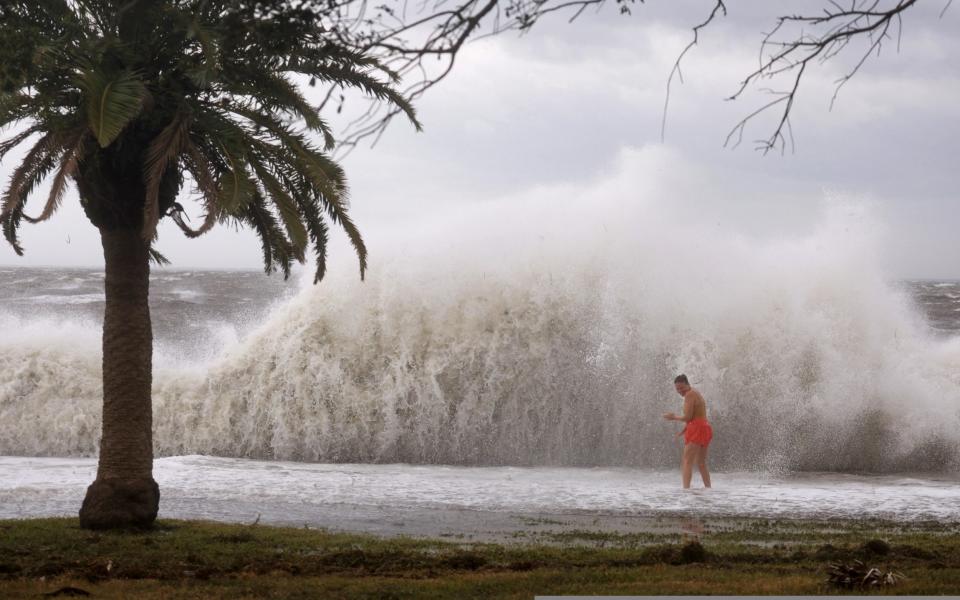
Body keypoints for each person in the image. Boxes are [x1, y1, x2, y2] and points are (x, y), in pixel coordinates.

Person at [663, 374, 712, 489]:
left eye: (682, 388)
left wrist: (673, 417)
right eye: (677, 389)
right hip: (704, 427)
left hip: (697, 428)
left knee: (686, 461)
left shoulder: (690, 395)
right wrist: (685, 429)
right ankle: (708, 489)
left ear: (687, 384)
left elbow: (688, 417)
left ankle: (686, 490)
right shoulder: (695, 392)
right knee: (701, 463)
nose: (680, 391)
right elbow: (696, 415)